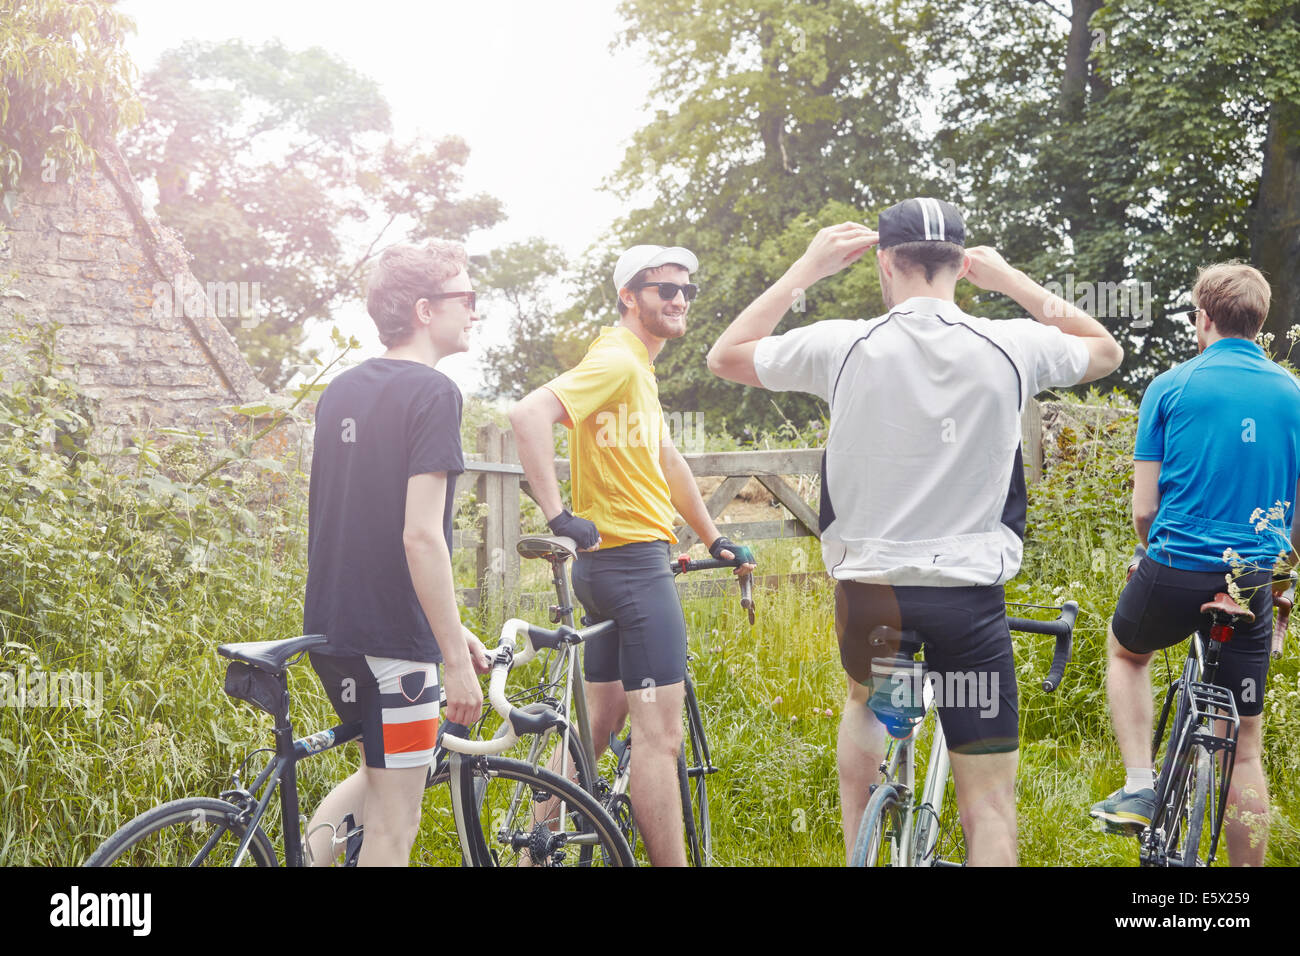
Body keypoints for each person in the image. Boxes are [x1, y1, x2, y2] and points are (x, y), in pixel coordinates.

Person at [707, 199, 1123, 865]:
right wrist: (1013, 282)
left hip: (874, 597)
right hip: (968, 604)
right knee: (989, 808)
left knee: (867, 709)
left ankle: (862, 847)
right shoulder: (1013, 345)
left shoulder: (842, 345)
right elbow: (1106, 349)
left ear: (884, 263)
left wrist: (804, 272)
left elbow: (725, 356)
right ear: (961, 265)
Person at [509, 244, 754, 867]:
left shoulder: (634, 369)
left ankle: (544, 848)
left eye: (685, 290)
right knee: (658, 739)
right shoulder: (619, 358)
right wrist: (556, 514)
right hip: (634, 572)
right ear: (628, 296)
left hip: (605, 571)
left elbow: (667, 460)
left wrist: (712, 534)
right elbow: (528, 412)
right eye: (661, 288)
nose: (677, 299)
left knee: (598, 724)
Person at [1090, 262, 1300, 866]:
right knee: (1246, 749)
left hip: (1177, 564)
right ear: (1261, 322)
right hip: (1256, 577)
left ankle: (1138, 784)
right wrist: (1283, 582)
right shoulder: (1290, 393)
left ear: (1202, 318)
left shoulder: (1171, 385)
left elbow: (1143, 510)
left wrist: (1148, 551)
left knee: (1128, 653)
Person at [301, 240, 491, 866]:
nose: (474, 310)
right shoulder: (433, 393)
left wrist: (454, 631)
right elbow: (419, 535)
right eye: (466, 297)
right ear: (424, 310)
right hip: (394, 647)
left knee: (379, 778)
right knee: (395, 822)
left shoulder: (340, 391)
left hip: (333, 632)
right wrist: (451, 660)